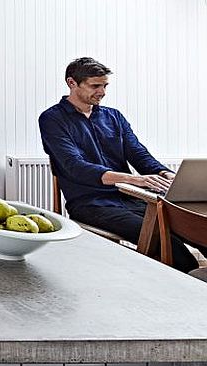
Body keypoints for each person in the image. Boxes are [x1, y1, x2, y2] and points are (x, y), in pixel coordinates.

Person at [39, 57, 202, 272]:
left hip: (134, 199)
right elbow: (75, 166)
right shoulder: (52, 119)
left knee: (200, 231)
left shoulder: (113, 117)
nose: (102, 92)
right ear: (72, 83)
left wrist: (166, 174)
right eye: (95, 86)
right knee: (173, 249)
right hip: (91, 204)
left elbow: (139, 155)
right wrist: (132, 179)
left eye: (105, 85)